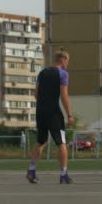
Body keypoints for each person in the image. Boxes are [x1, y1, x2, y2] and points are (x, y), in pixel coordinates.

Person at [26, 50, 74, 184]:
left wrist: (43, 103)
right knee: (61, 143)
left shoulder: (42, 72)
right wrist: (69, 114)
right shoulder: (63, 74)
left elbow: (36, 94)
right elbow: (64, 96)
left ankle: (31, 170)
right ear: (63, 59)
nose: (67, 64)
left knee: (41, 141)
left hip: (40, 111)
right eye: (67, 61)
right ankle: (63, 174)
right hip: (53, 112)